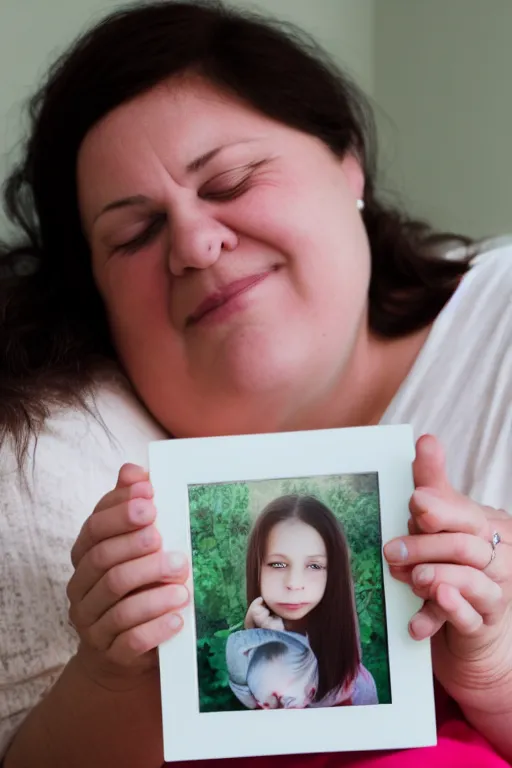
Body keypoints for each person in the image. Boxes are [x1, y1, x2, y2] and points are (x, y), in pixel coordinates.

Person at [0, 1, 510, 767]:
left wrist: (496, 671)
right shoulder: (110, 463)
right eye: (134, 236)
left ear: (348, 164)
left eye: (231, 180)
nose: (197, 244)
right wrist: (114, 680)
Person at [243, 494, 378, 707]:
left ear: (333, 574)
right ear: (256, 567)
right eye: (278, 564)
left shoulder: (358, 688)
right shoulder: (245, 655)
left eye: (314, 566)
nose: (294, 583)